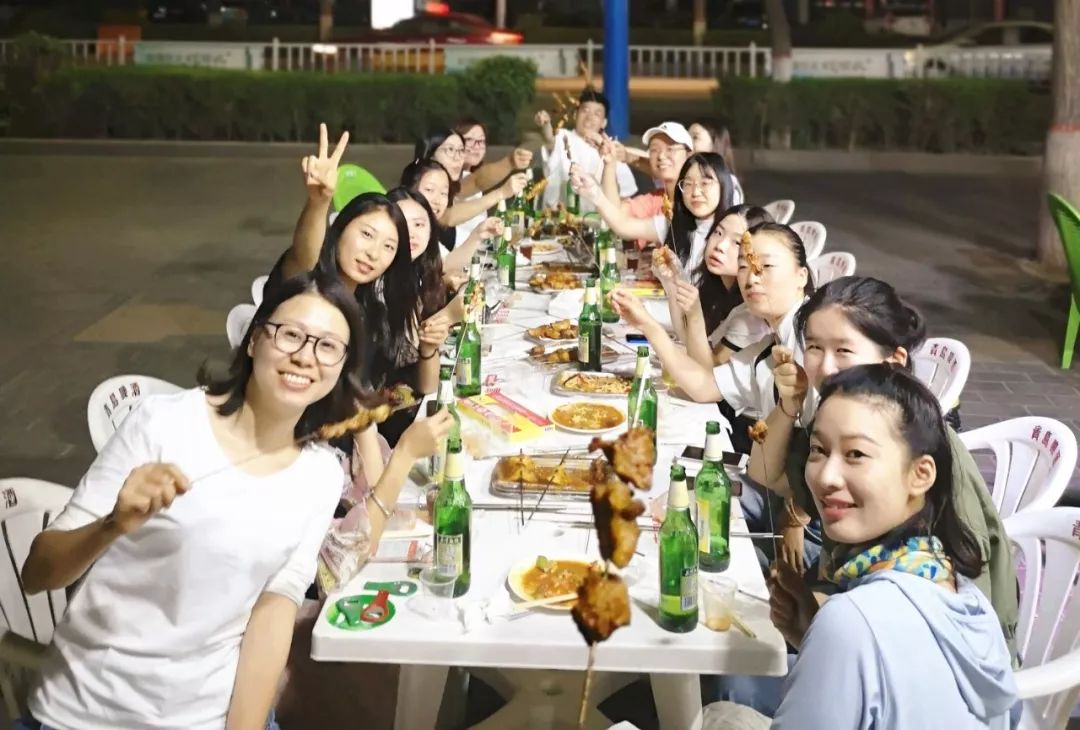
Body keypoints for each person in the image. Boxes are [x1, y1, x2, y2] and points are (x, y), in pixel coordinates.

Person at [17, 271, 448, 730]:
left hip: (208, 715)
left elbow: (272, 615)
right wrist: (111, 525)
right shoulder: (164, 423)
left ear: (343, 367)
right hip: (84, 713)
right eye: (290, 335)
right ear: (254, 340)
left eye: (327, 346)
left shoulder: (319, 475)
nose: (305, 356)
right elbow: (37, 574)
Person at [705, 365, 1018, 729]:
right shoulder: (963, 592)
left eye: (856, 454)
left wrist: (832, 635)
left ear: (920, 474)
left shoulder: (851, 621)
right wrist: (810, 634)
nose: (826, 476)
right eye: (819, 450)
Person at [749, 276, 1019, 650]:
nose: (825, 367)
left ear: (894, 361)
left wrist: (827, 622)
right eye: (814, 347)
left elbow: (971, 588)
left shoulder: (931, 447)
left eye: (844, 349)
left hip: (934, 643)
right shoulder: (838, 417)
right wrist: (789, 405)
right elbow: (764, 473)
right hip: (858, 597)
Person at [573, 152, 736, 271]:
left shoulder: (734, 232)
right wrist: (594, 193)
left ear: (724, 185)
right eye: (688, 184)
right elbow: (623, 225)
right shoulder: (675, 224)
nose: (695, 192)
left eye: (705, 183)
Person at [656, 204, 773, 369]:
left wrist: (693, 314)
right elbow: (688, 339)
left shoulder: (749, 316)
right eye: (718, 233)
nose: (720, 246)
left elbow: (710, 371)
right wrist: (670, 283)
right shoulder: (719, 291)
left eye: (737, 242)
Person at [399, 158, 506, 290]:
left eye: (444, 193)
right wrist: (442, 284)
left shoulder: (427, 230)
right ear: (408, 190)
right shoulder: (398, 228)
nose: (437, 200)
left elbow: (446, 265)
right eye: (430, 190)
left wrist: (478, 234)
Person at [414, 129, 527, 248]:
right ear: (429, 154)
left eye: (461, 150)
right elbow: (445, 217)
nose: (458, 157)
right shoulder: (418, 186)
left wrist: (510, 162)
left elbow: (476, 181)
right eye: (450, 150)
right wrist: (501, 193)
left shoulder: (449, 185)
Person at [535, 88, 637, 212]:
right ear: (575, 115)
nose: (589, 117)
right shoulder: (563, 137)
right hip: (558, 218)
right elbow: (549, 138)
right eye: (585, 111)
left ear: (604, 123)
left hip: (598, 220)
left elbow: (626, 194)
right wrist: (545, 124)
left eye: (597, 114)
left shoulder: (612, 148)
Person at [452, 117, 534, 247]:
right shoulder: (448, 178)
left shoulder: (471, 173)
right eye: (469, 140)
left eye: (481, 141)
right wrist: (509, 163)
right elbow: (476, 182)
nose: (476, 146)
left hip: (479, 249)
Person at [599, 121, 693, 221]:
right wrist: (609, 164)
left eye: (670, 149)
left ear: (689, 155)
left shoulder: (699, 198)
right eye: (654, 150)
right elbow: (614, 216)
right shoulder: (654, 201)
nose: (661, 156)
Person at [688, 119, 744, 202]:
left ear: (715, 142)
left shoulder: (728, 185)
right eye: (687, 137)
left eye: (695, 137)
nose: (687, 142)